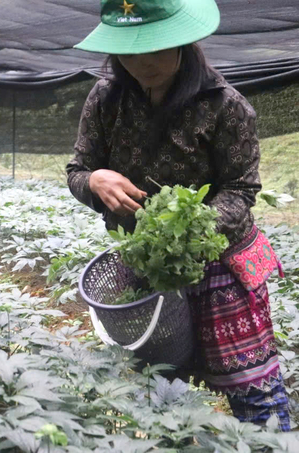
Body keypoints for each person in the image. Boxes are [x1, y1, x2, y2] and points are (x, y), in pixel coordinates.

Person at [68, 0, 291, 430]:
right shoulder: (105, 98)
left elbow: (242, 189)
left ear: (185, 42)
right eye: (127, 50)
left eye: (153, 46)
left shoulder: (225, 106)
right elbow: (77, 170)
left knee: (252, 387)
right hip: (144, 264)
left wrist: (190, 229)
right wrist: (95, 180)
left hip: (219, 263)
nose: (140, 62)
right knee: (160, 385)